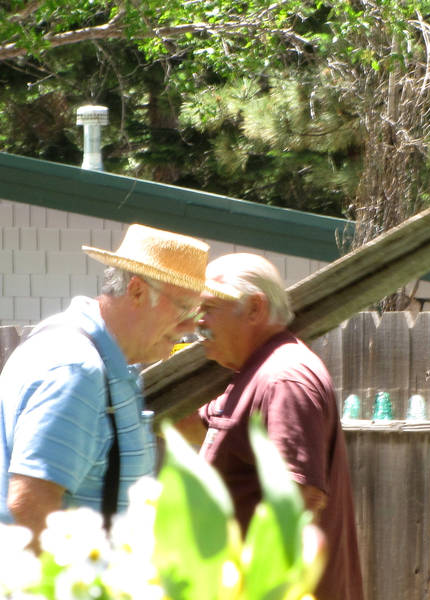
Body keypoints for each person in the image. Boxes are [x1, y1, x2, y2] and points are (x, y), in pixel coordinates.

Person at [0, 223, 219, 543]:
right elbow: (29, 510)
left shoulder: (95, 357)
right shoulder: (78, 370)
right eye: (184, 308)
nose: (190, 327)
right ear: (137, 291)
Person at [182, 252, 363, 600]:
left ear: (254, 308)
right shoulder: (256, 373)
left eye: (209, 308)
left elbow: (297, 500)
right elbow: (200, 426)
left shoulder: (284, 380)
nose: (198, 322)